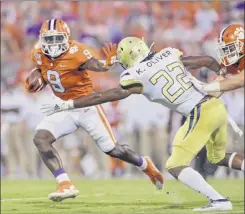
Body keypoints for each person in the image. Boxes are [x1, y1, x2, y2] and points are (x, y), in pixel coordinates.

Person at [41, 37, 244, 211]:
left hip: (200, 112)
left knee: (175, 165)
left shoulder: (134, 75)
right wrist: (226, 77)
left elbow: (104, 96)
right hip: (216, 105)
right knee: (216, 157)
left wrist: (69, 104)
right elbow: (208, 60)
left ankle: (219, 200)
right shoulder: (168, 54)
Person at [27, 20, 163, 202]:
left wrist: (106, 64)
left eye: (57, 39)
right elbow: (45, 70)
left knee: (113, 149)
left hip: (86, 105)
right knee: (40, 138)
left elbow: (96, 65)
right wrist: (39, 78)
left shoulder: (76, 51)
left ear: (66, 38)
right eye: (48, 39)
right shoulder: (37, 53)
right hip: (62, 106)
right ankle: (65, 183)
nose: (52, 44)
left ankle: (145, 164)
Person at [190, 24, 244, 93]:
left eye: (231, 48)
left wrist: (204, 87)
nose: (227, 53)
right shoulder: (232, 63)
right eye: (225, 50)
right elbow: (216, 90)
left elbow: (240, 81)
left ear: (242, 45)